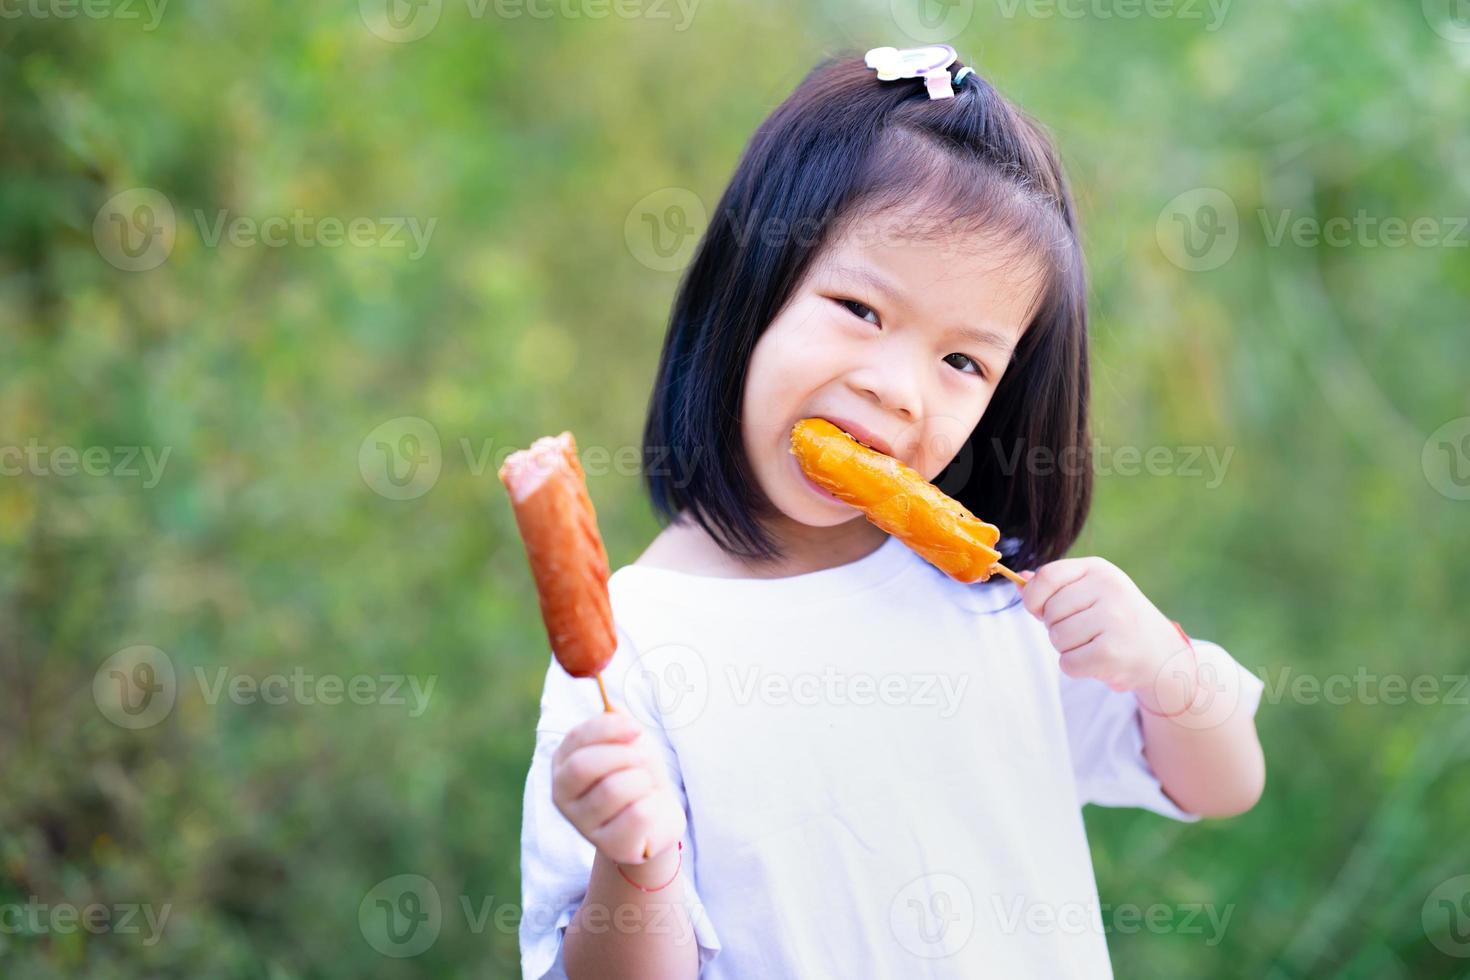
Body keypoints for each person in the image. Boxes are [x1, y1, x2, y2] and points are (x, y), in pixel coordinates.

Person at [519, 46, 1266, 979]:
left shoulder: (1003, 601)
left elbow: (1224, 782)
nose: (899, 390)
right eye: (860, 309)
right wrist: (635, 864)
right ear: (751, 290)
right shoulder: (631, 646)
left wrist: (1167, 671)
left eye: (964, 363)